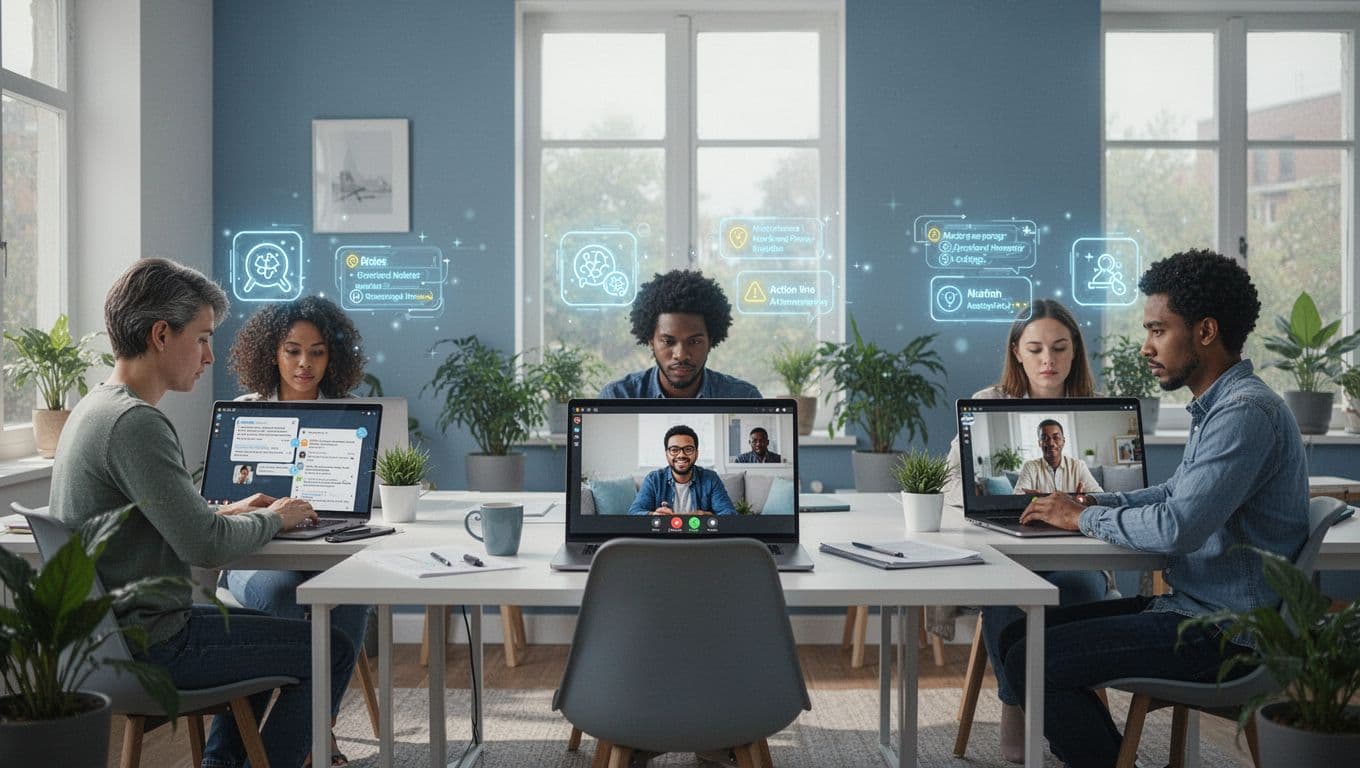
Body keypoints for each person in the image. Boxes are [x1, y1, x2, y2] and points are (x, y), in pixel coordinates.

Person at [1002, 249, 1308, 767]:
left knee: (1030, 657)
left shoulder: (1245, 413)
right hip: (1193, 611)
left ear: (1205, 331)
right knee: (1018, 637)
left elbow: (1177, 526)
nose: (1146, 346)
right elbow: (1172, 495)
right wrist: (1093, 501)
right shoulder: (1219, 406)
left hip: (1223, 636)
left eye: (1157, 330)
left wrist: (1080, 518)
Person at [49, 258, 349, 768]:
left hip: (108, 639)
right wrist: (277, 517)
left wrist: (230, 507)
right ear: (161, 334)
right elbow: (204, 546)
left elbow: (160, 517)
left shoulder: (96, 406)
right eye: (204, 338)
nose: (210, 356)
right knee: (331, 648)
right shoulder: (135, 423)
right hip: (153, 645)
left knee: (259, 629)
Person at [938, 299, 1111, 763]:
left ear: (1075, 353)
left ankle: (1072, 713)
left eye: (1059, 348)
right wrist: (986, 501)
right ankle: (1015, 705)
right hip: (1014, 550)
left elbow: (1104, 496)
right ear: (1017, 351)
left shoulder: (1092, 414)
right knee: (1008, 589)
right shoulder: (989, 402)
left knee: (1075, 587)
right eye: (1035, 349)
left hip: (1080, 550)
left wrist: (1080, 506)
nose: (1048, 360)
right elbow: (951, 480)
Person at [224, 295, 370, 766]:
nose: (305, 363)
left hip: (325, 551)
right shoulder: (243, 411)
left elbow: (372, 505)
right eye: (293, 350)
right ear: (272, 352)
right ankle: (304, 741)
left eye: (318, 351)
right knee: (287, 599)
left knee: (351, 594)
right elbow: (220, 507)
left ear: (334, 357)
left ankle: (307, 733)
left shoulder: (353, 413)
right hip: (254, 558)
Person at [599, 269, 761, 398]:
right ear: (650, 341)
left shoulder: (743, 397)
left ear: (710, 341)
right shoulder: (619, 397)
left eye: (694, 342)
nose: (681, 355)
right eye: (668, 341)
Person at [628, 425, 737, 516]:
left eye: (688, 449)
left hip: (699, 537)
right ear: (666, 454)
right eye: (674, 450)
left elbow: (729, 513)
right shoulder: (653, 479)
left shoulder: (710, 478)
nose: (681, 455)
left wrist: (705, 515)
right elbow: (634, 512)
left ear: (696, 453)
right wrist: (653, 515)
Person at [1013, 419, 1102, 495]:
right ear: (1039, 443)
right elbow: (1016, 498)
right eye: (1045, 438)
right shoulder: (1030, 467)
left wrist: (1083, 499)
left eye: (1056, 437)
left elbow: (1100, 495)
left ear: (1063, 441)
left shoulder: (1078, 466)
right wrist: (1032, 499)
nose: (1051, 443)